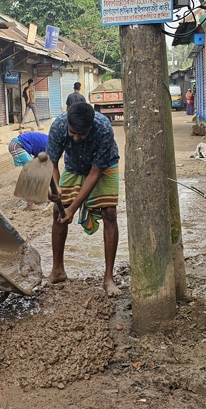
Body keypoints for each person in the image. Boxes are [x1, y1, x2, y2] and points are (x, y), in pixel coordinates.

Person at [46, 101, 122, 297]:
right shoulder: (58, 126)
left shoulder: (104, 128)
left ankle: (108, 278)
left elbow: (95, 173)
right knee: (57, 211)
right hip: (73, 165)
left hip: (103, 166)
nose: (76, 138)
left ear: (90, 127)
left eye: (82, 134)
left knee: (109, 212)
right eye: (73, 133)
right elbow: (53, 165)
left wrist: (72, 209)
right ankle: (57, 270)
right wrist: (55, 189)